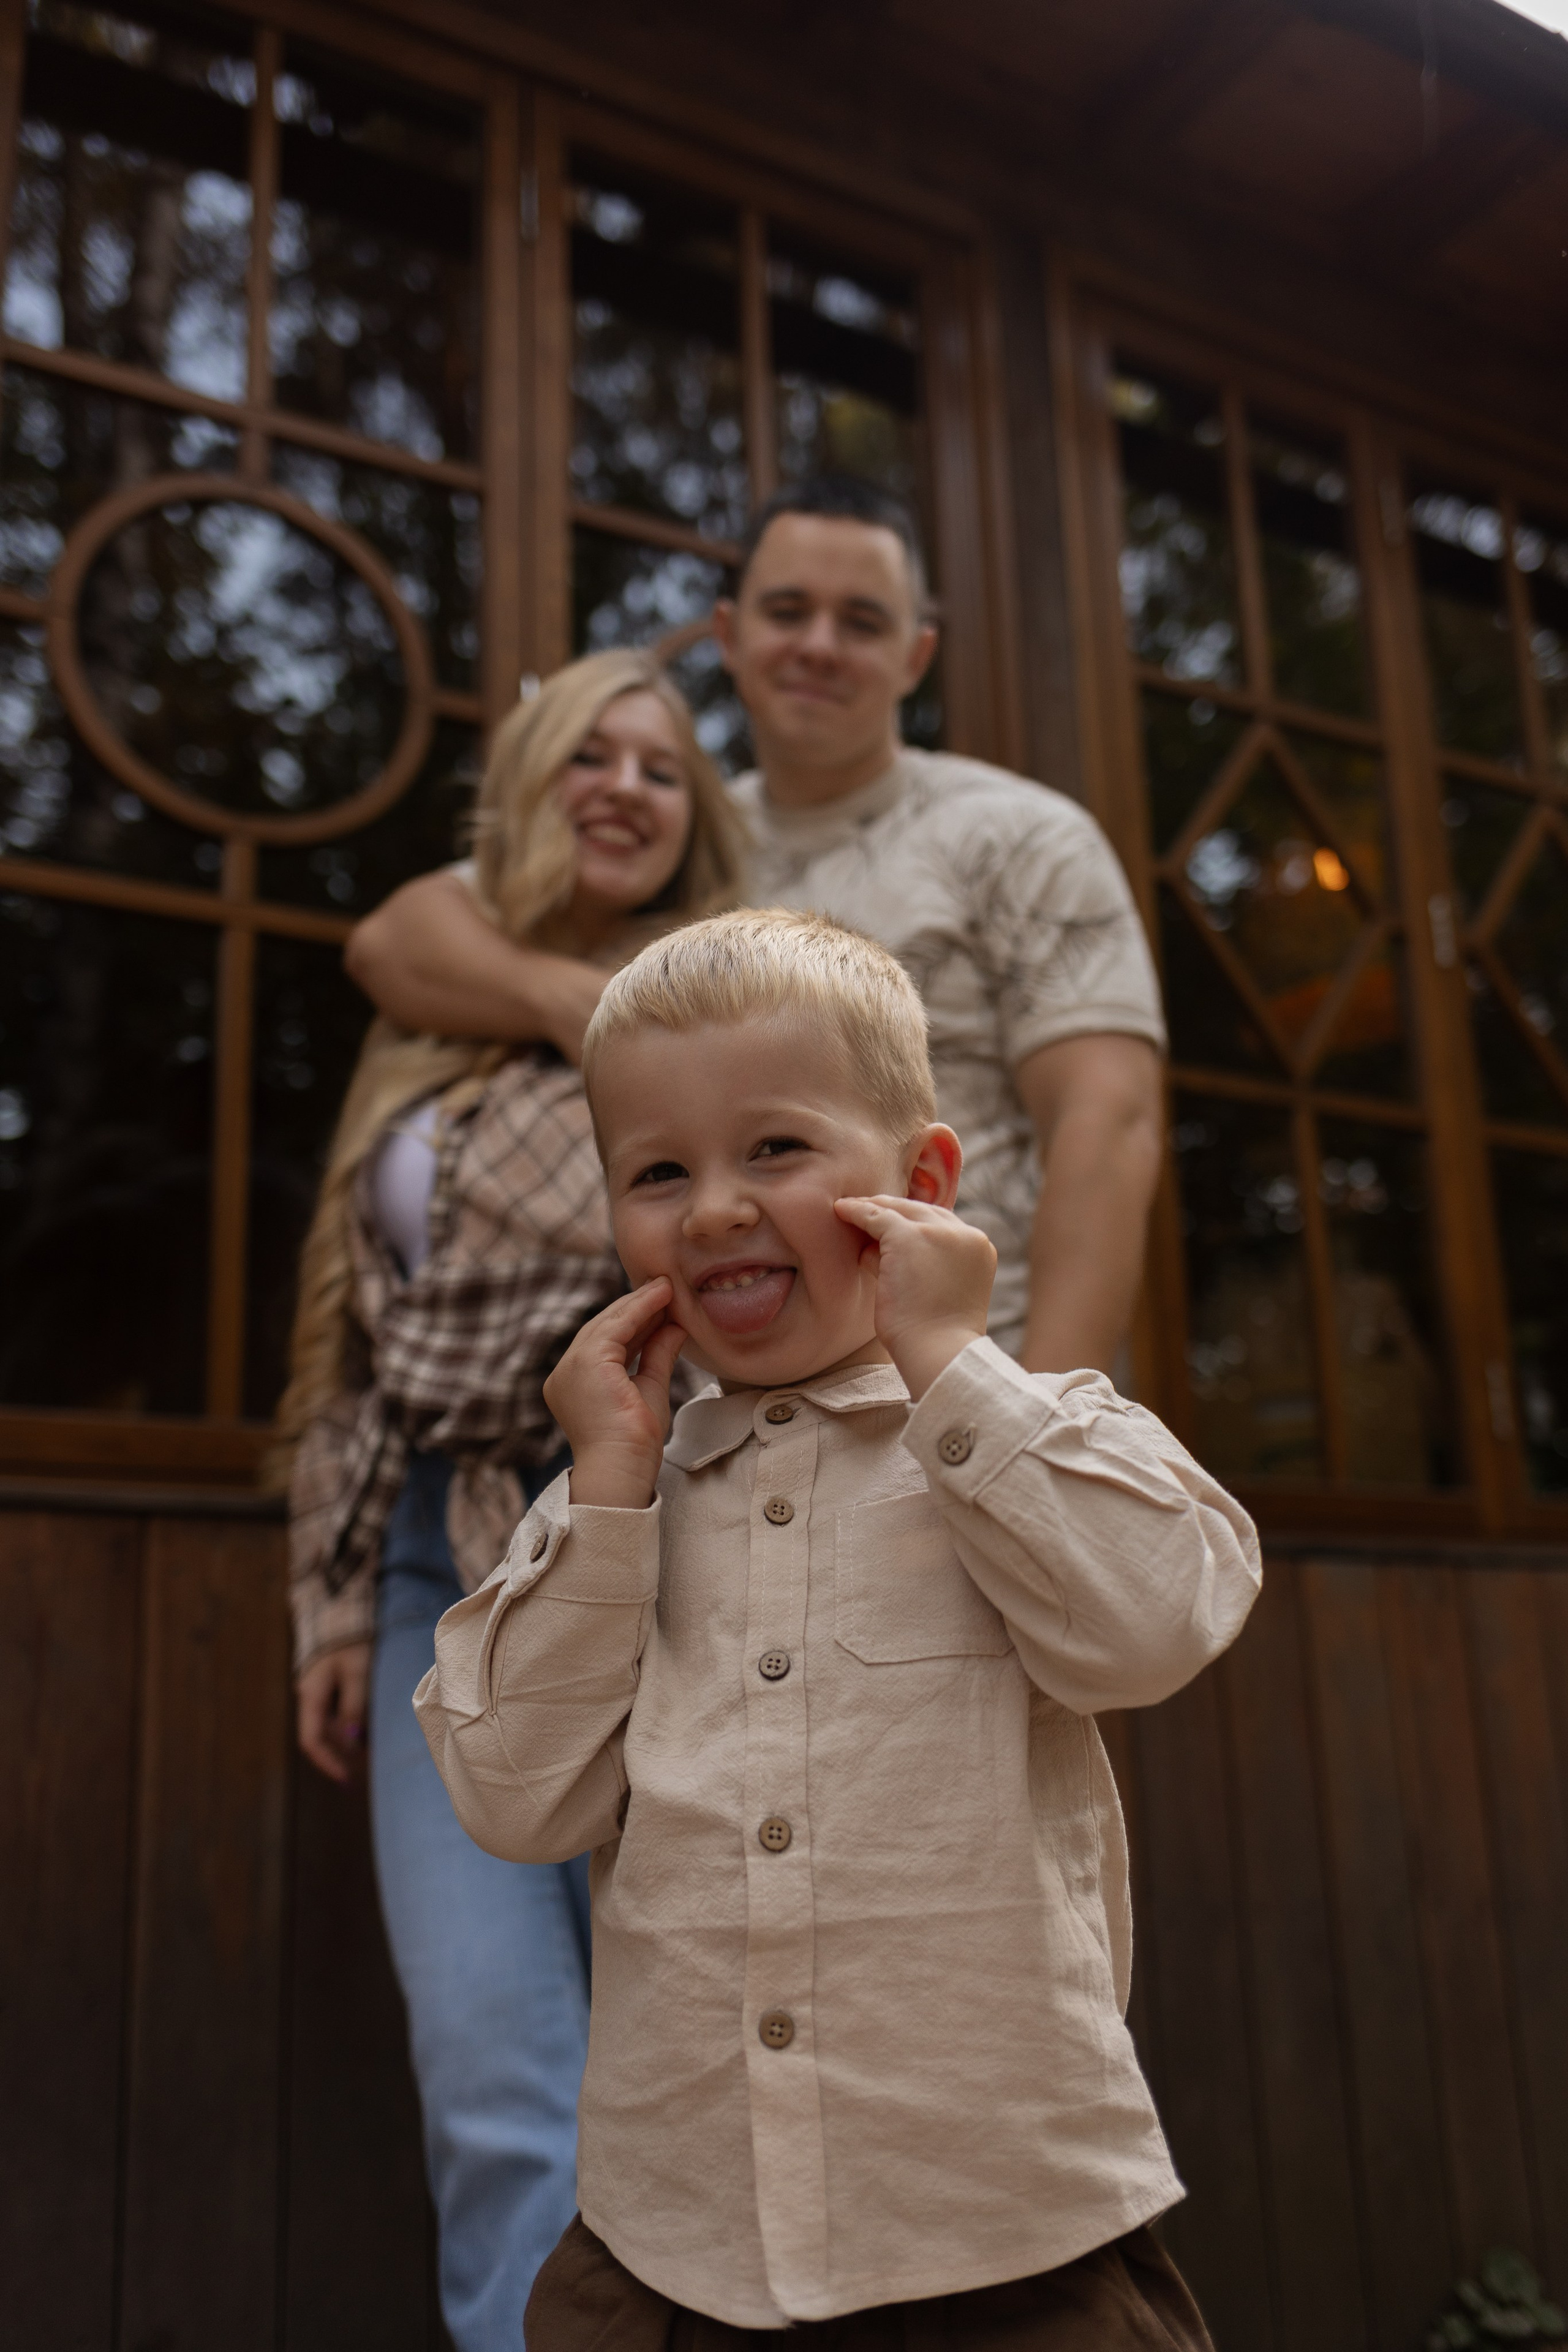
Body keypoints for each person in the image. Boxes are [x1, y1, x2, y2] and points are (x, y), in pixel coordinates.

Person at [415, 910, 1262, 2349]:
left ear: (919, 1184)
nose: (714, 1210)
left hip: (1002, 2237)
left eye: (775, 1151)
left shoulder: (1036, 1430)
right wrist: (606, 1492)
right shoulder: (614, 1497)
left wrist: (952, 1363)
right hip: (671, 2249)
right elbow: (511, 1798)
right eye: (658, 1171)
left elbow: (1151, 1625)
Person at [275, 652, 746, 2352]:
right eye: (588, 757)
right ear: (533, 775)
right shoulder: (431, 1019)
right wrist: (331, 1603)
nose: (625, 787)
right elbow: (349, 1345)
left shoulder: (721, 1000)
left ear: (704, 825)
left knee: (691, 2048)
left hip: (670, 1536)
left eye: (665, 769)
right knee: (490, 2061)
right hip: (433, 1555)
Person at [343, 475, 1164, 1379]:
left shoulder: (1020, 836)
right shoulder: (679, 839)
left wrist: (1040, 1420)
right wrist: (563, 999)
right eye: (788, 611)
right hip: (724, 1424)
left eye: (860, 620)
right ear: (730, 635)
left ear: (916, 654)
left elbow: (1108, 1122)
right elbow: (397, 940)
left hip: (963, 1371)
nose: (819, 645)